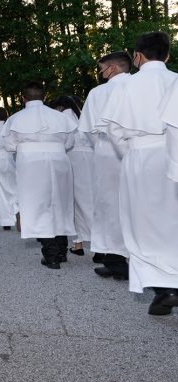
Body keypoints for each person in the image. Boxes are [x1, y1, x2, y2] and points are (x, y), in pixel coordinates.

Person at [105, 32, 178, 315]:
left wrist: (131, 153)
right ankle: (168, 287)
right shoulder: (175, 81)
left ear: (137, 57)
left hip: (140, 155)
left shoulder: (126, 86)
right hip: (174, 153)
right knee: (172, 220)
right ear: (167, 55)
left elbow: (114, 131)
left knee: (143, 223)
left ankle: (164, 288)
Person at [2, 81, 76, 269]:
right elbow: (69, 142)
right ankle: (61, 249)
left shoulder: (16, 118)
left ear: (22, 97)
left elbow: (9, 146)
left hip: (31, 161)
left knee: (37, 204)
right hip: (59, 159)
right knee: (60, 201)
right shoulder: (58, 117)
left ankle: (50, 254)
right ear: (45, 96)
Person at [78, 51, 132, 276]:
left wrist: (100, 147)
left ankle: (116, 260)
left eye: (101, 69)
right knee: (138, 201)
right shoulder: (139, 85)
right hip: (141, 147)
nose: (101, 74)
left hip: (106, 149)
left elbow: (89, 129)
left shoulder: (99, 92)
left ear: (111, 69)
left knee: (109, 205)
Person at [52, 95, 93, 256]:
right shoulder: (82, 115)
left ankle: (79, 242)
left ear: (60, 107)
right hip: (90, 157)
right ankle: (90, 244)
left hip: (73, 158)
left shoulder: (61, 118)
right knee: (90, 200)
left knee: (74, 202)